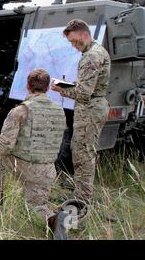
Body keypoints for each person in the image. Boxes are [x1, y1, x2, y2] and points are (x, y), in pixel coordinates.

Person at [0, 68, 67, 236]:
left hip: (26, 167)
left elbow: (5, 148)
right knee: (36, 205)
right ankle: (54, 219)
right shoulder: (59, 111)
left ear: (28, 86)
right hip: (48, 170)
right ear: (46, 88)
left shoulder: (20, 111)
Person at [51, 19, 111, 203]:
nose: (73, 45)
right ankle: (81, 194)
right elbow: (87, 86)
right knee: (83, 152)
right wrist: (66, 85)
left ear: (84, 34)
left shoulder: (91, 56)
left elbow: (84, 93)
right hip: (93, 107)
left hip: (90, 109)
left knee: (83, 155)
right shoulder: (96, 51)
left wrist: (61, 89)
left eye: (74, 41)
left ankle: (82, 200)